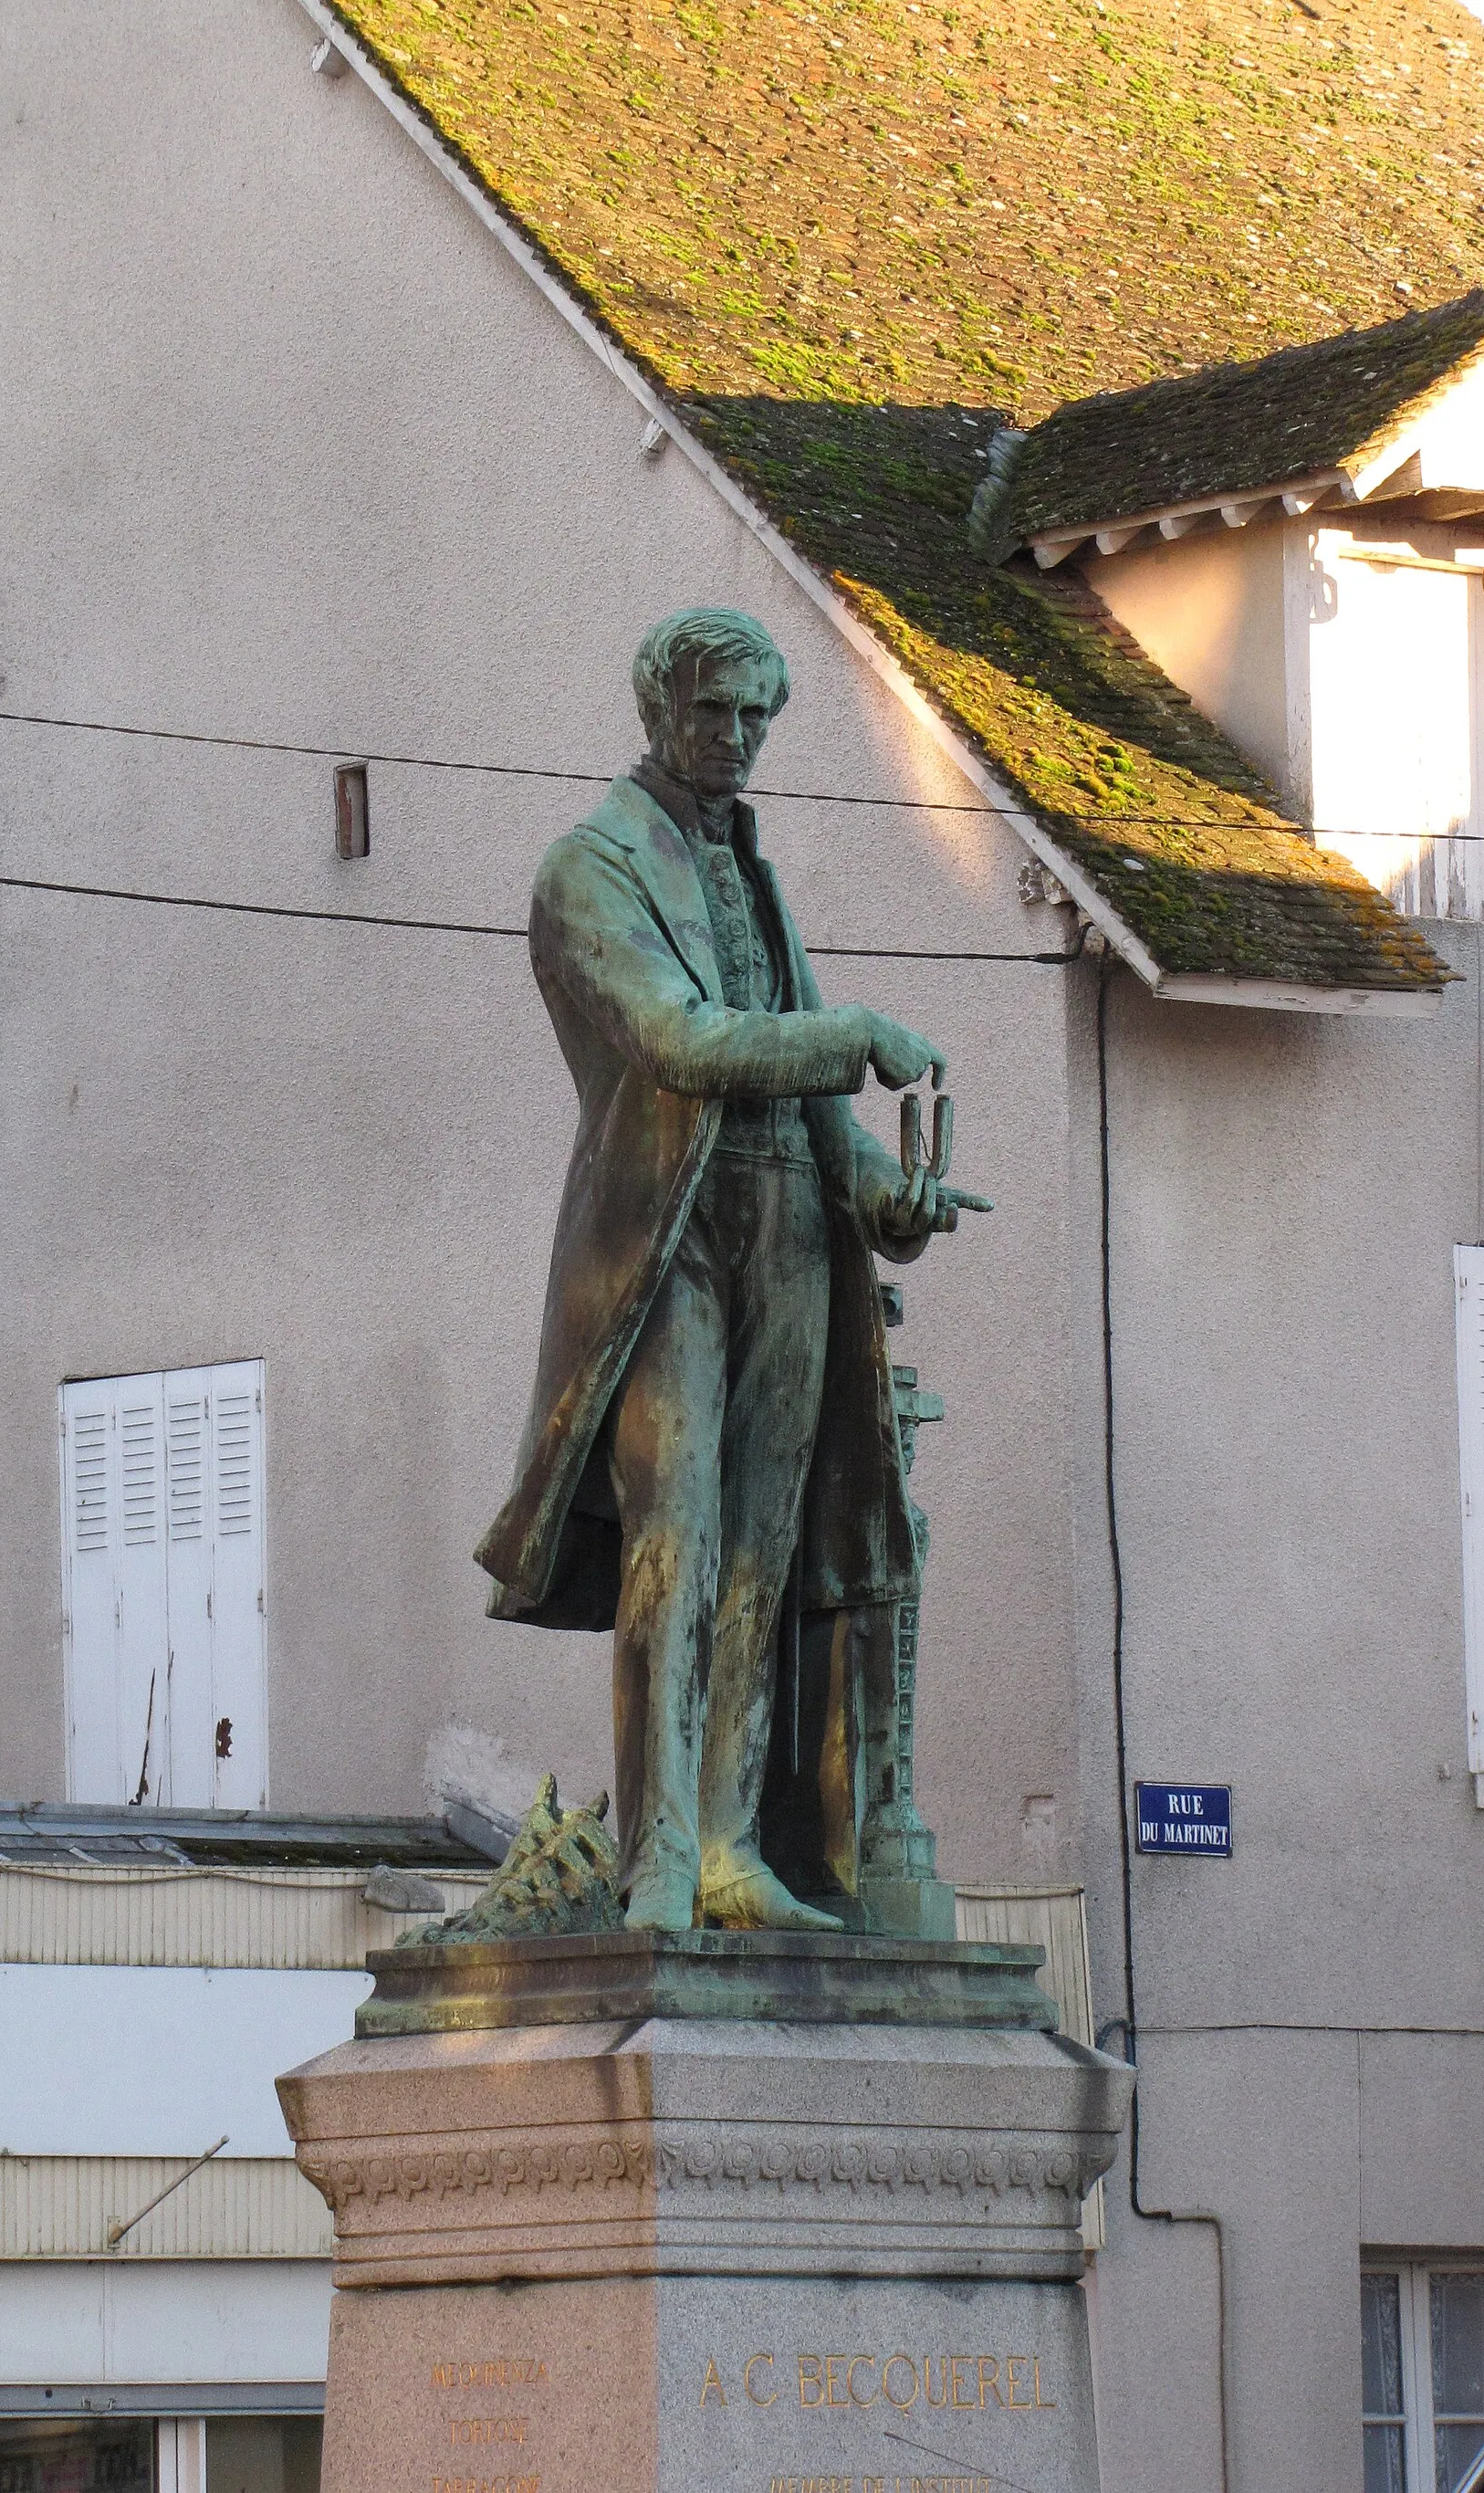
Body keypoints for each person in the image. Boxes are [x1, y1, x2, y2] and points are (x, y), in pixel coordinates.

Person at [476, 609, 988, 1932]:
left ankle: (723, 1845)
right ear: (659, 707)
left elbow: (819, 1115)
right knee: (680, 1536)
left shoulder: (749, 865)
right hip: (669, 1238)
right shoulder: (588, 868)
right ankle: (654, 1855)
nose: (740, 738)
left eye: (760, 715)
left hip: (791, 1237)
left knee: (763, 1546)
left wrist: (890, 1192)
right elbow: (682, 1038)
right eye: (718, 712)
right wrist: (852, 1031)